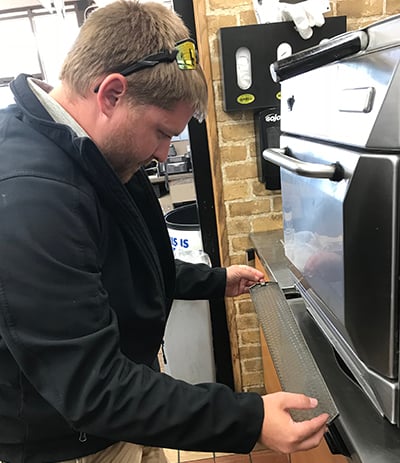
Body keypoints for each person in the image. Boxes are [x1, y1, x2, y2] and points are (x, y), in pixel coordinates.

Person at [0, 1, 329, 462]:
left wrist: (212, 280)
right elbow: (93, 388)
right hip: (66, 442)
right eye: (160, 132)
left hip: (118, 417)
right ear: (111, 94)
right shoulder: (31, 197)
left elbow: (123, 259)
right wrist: (249, 419)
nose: (162, 152)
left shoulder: (91, 150)